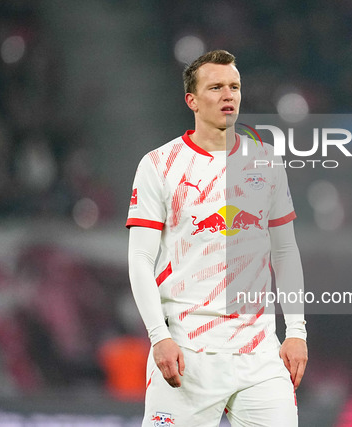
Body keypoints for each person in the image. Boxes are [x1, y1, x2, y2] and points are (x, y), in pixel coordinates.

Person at [127, 49, 307, 427]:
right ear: (191, 100)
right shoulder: (159, 165)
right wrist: (159, 336)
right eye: (216, 87)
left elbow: (286, 251)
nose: (229, 95)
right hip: (188, 349)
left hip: (258, 352)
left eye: (235, 87)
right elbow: (140, 259)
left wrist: (296, 331)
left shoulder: (267, 161)